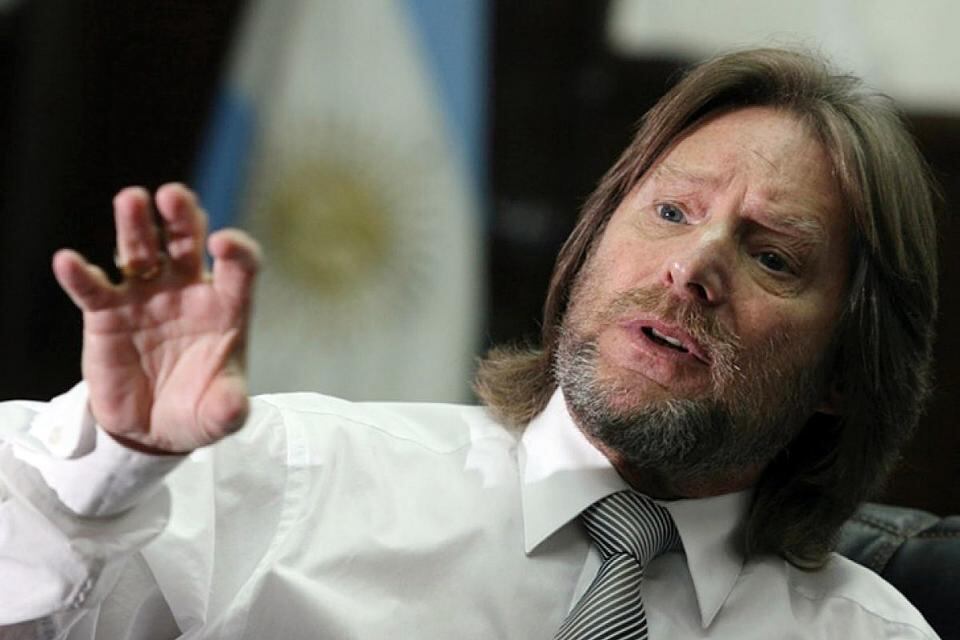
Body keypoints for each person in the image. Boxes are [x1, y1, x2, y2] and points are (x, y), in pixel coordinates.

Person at [0, 47, 942, 639]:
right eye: (670, 211)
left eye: (773, 257)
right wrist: (110, 468)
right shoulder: (290, 479)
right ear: (591, 242)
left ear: (846, 372)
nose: (691, 266)